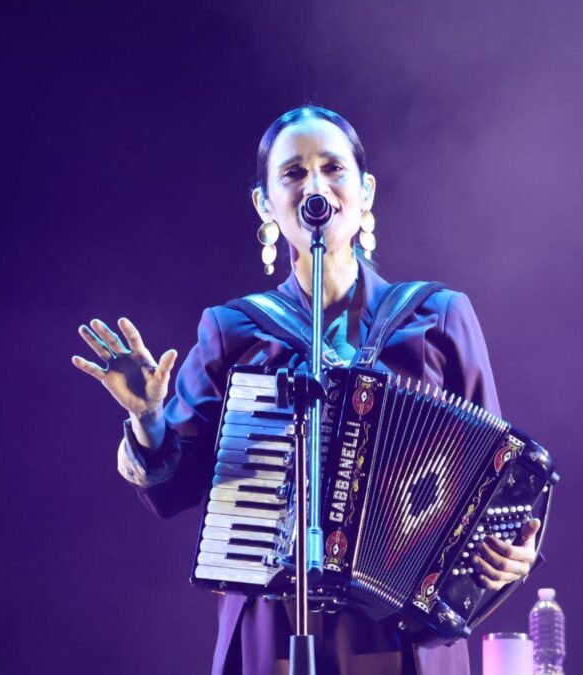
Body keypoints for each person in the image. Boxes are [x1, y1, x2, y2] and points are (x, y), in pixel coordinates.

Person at [72, 105, 540, 675]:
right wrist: (147, 418)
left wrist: (512, 551)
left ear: (365, 192)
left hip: (406, 632)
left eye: (332, 168)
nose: (315, 185)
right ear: (265, 204)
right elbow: (177, 487)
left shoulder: (438, 318)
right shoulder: (235, 329)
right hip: (274, 621)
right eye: (293, 173)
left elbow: (495, 474)